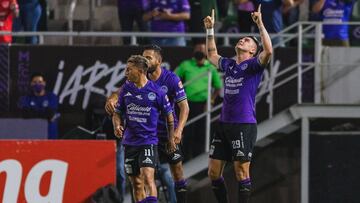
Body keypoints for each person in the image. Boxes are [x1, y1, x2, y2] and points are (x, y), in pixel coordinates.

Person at [204, 6, 272, 203]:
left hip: (243, 125)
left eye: (247, 40)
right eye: (242, 38)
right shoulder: (230, 65)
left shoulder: (253, 66)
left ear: (252, 50)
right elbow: (211, 54)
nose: (242, 39)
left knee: (241, 172)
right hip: (224, 124)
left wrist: (260, 24)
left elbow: (268, 50)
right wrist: (210, 30)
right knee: (213, 173)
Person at [106, 45, 190, 203]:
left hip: (166, 134)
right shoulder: (136, 78)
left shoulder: (171, 79)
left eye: (149, 57)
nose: (145, 60)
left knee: (176, 172)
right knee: (142, 179)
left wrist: (178, 131)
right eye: (143, 57)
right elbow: (121, 91)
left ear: (159, 61)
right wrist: (112, 98)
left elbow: (184, 107)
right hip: (145, 137)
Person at [175, 40, 222, 161]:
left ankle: (198, 159)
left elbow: (218, 87)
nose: (200, 52)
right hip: (187, 104)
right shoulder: (186, 65)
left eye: (202, 50)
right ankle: (184, 160)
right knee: (188, 132)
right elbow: (173, 78)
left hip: (203, 105)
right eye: (198, 50)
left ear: (206, 52)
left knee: (201, 133)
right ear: (194, 51)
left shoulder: (210, 67)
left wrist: (211, 101)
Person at [19, 72, 59, 139]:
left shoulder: (52, 97)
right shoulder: (26, 98)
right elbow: (25, 115)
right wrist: (44, 113)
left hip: (50, 135)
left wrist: (33, 112)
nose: (37, 84)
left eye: (40, 82)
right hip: (32, 135)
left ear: (44, 83)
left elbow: (50, 113)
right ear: (31, 84)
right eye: (35, 82)